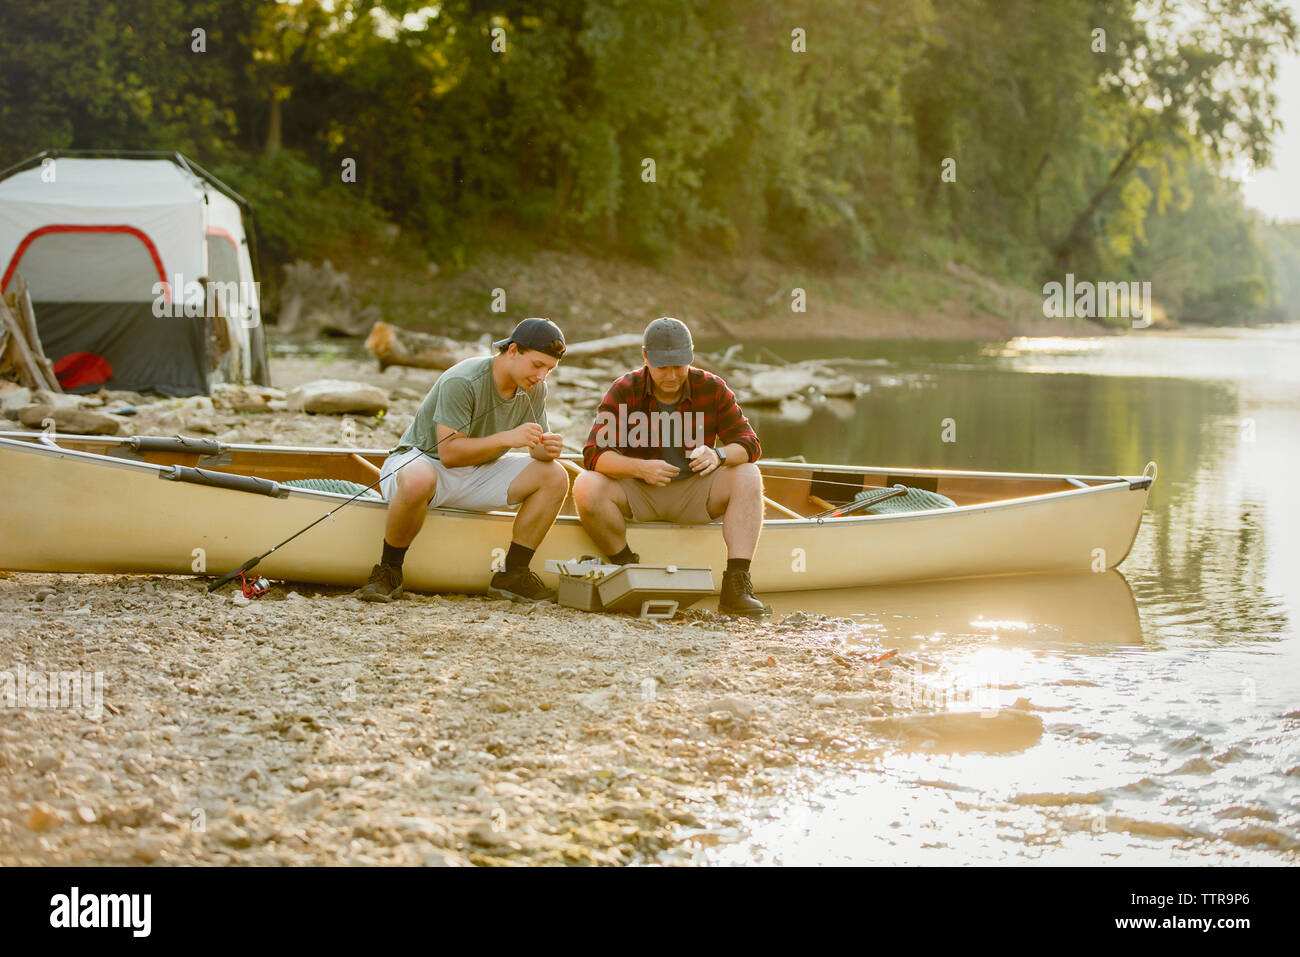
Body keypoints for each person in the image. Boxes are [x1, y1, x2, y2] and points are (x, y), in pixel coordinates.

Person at [356, 318, 570, 604]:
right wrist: (508, 438)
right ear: (514, 351)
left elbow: (535, 451)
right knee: (419, 477)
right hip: (424, 462)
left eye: (549, 370)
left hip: (477, 471)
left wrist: (548, 449)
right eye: (537, 365)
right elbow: (450, 454)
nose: (542, 376)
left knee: (555, 476)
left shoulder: (535, 389)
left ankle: (512, 575)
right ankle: (388, 571)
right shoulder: (464, 379)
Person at [574, 317, 767, 617]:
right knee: (587, 484)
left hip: (695, 493)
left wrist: (719, 456)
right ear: (645, 357)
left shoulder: (712, 388)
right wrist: (640, 469)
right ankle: (625, 567)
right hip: (638, 491)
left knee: (748, 474)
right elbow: (594, 455)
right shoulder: (625, 389)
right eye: (663, 366)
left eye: (679, 365)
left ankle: (736, 585)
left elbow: (749, 444)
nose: (672, 375)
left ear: (690, 356)